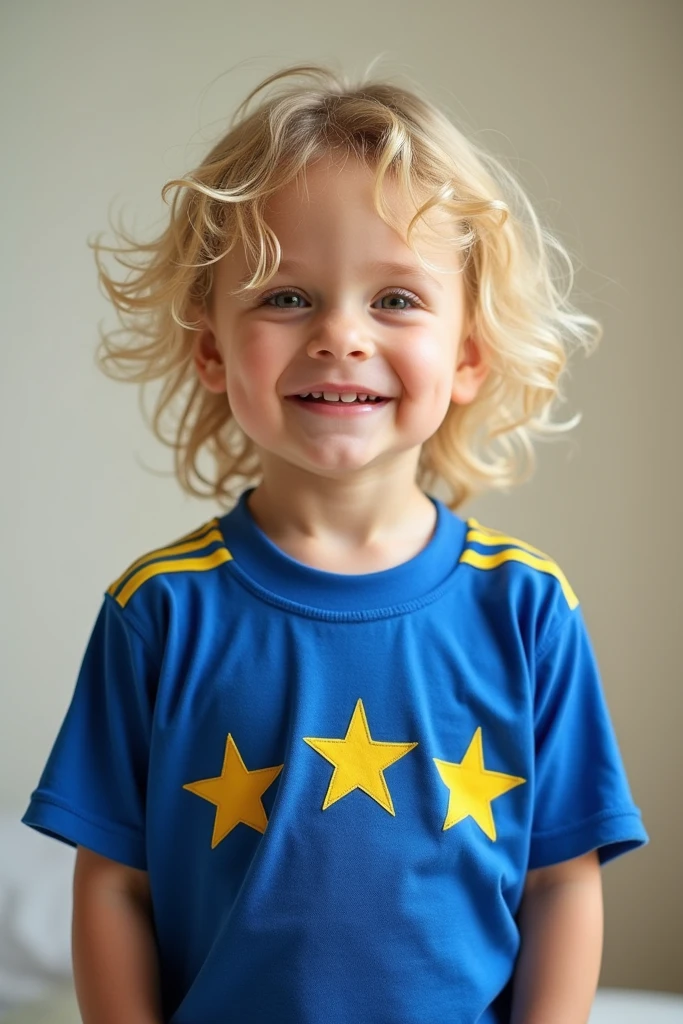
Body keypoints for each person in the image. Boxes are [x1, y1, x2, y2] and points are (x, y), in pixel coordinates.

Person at [22, 63, 648, 1024]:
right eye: (285, 297)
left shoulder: (526, 606)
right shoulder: (159, 609)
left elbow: (562, 881)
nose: (340, 336)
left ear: (469, 354)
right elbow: (114, 886)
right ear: (213, 349)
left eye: (396, 300)